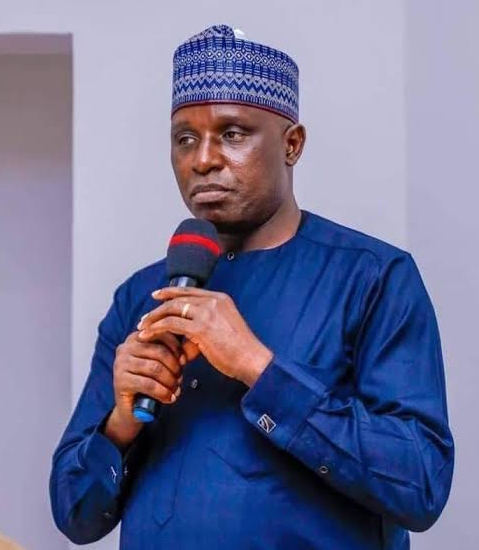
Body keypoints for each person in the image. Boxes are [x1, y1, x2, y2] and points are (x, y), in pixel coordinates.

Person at [50, 24, 454, 549]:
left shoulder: (373, 278)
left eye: (233, 134)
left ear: (292, 144)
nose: (203, 160)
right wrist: (121, 423)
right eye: (185, 139)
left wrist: (255, 366)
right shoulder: (142, 296)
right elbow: (75, 514)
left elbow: (420, 484)